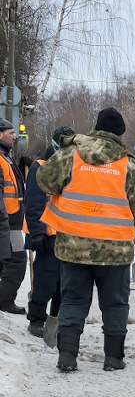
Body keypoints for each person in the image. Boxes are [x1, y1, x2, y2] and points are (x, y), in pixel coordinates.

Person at [36, 108, 135, 371]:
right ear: (120, 133)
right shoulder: (129, 164)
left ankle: (67, 357)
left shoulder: (70, 155)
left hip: (73, 247)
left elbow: (44, 180)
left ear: (95, 128)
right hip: (115, 250)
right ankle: (113, 358)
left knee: (73, 300)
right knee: (115, 303)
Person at [23, 125, 74, 336]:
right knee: (45, 281)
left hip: (67, 235)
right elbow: (33, 203)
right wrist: (37, 232)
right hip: (46, 236)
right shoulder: (40, 167)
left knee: (65, 283)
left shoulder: (73, 167)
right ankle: (36, 318)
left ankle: (57, 319)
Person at [0, 118, 27, 314]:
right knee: (17, 260)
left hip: (12, 221)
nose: (14, 136)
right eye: (11, 133)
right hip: (8, 222)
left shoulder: (6, 157)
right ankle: (4, 301)